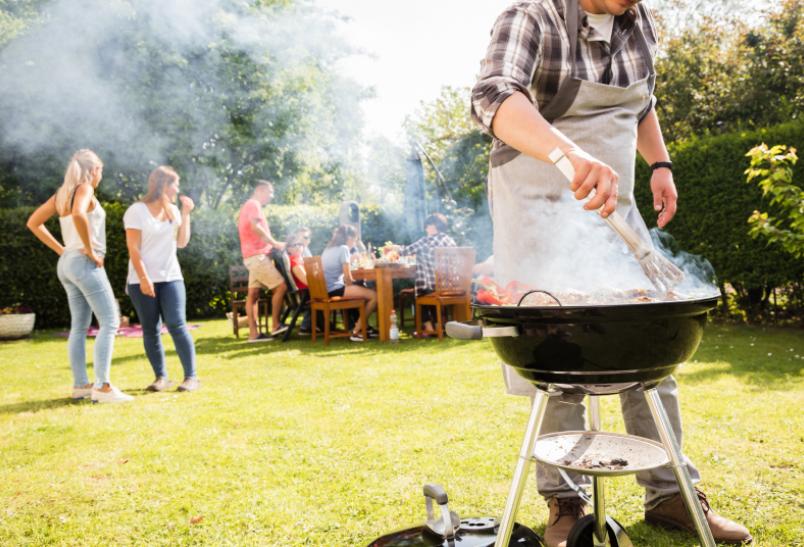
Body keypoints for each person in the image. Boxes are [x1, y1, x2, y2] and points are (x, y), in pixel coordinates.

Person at [471, 1, 751, 545]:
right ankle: (564, 501)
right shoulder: (534, 15)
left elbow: (641, 103)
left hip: (614, 207)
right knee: (559, 357)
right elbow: (493, 96)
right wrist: (569, 154)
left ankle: (671, 494)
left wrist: (661, 163)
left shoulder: (637, 20)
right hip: (537, 204)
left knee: (651, 340)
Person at [26, 150, 132, 403]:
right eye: (101, 171)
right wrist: (91, 249)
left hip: (67, 264)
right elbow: (78, 214)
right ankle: (102, 387)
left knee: (79, 327)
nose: (101, 176)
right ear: (93, 170)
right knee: (110, 321)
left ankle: (81, 386)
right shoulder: (84, 188)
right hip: (83, 263)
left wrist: (63, 251)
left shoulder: (61, 194)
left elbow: (33, 223)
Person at [124, 166, 199, 393]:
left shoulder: (173, 211)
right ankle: (161, 377)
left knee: (177, 324)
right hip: (141, 280)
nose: (178, 188)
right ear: (163, 185)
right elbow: (133, 248)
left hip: (171, 277)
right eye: (175, 184)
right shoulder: (136, 211)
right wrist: (145, 278)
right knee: (150, 328)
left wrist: (186, 214)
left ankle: (191, 377)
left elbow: (182, 242)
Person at [237, 180, 288, 342]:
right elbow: (255, 227)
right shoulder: (253, 204)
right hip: (257, 256)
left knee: (253, 295)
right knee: (281, 286)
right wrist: (275, 243)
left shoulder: (248, 205)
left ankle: (254, 334)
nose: (271, 196)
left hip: (250, 256)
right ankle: (276, 325)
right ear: (260, 190)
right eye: (269, 192)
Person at [397, 213, 456, 338]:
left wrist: (393, 248)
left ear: (434, 226)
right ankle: (439, 326)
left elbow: (405, 251)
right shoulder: (450, 241)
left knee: (419, 294)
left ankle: (429, 329)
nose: (426, 229)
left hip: (433, 286)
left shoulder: (426, 241)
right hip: (449, 285)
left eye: (427, 226)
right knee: (429, 292)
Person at [321, 225, 377, 342]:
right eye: (355, 239)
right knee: (374, 296)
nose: (355, 243)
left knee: (362, 290)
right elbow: (347, 277)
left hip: (326, 289)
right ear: (349, 238)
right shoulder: (343, 249)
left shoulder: (328, 249)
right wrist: (355, 287)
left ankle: (363, 328)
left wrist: (356, 287)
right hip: (335, 289)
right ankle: (356, 331)